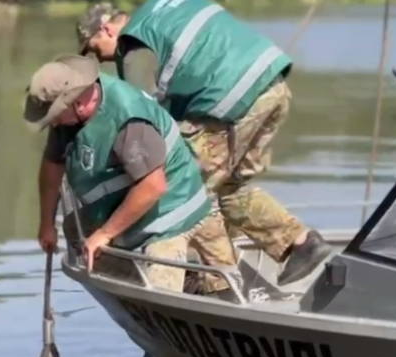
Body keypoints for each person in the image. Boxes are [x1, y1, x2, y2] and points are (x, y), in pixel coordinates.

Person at [74, 0, 332, 287]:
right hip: (273, 85)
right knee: (231, 188)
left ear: (106, 29)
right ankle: (301, 244)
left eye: (97, 50)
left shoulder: (133, 46)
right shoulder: (163, 8)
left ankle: (218, 287)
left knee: (187, 185)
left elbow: (144, 121)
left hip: (231, 98)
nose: (104, 60)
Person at [26, 54, 214, 293]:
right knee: (76, 231)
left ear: (79, 103)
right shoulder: (69, 115)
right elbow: (52, 166)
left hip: (170, 211)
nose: (52, 124)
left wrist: (105, 234)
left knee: (158, 295)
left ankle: (186, 280)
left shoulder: (126, 119)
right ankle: (135, 273)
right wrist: (46, 223)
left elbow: (153, 186)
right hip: (125, 200)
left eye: (54, 116)